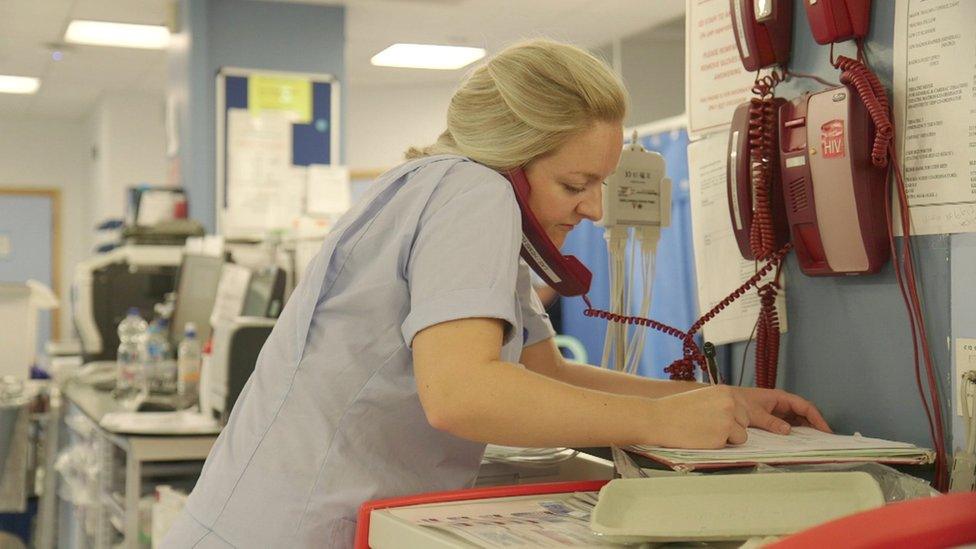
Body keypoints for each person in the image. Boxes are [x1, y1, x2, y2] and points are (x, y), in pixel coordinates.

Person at [163, 39, 830, 548]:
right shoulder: (472, 195)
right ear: (512, 156)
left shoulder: (436, 190)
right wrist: (658, 424)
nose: (595, 209)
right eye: (576, 185)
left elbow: (548, 371)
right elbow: (462, 393)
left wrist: (711, 401)